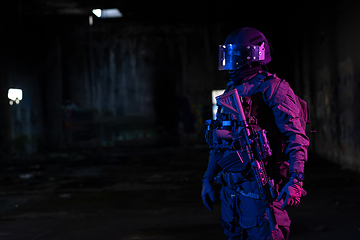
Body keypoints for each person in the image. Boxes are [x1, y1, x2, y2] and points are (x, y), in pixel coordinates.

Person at [201, 27, 310, 240]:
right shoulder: (230, 92)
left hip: (261, 193)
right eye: (229, 56)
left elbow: (296, 137)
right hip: (231, 197)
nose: (232, 64)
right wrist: (208, 178)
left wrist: (296, 180)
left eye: (238, 56)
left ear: (254, 56)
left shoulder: (273, 88)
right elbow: (219, 142)